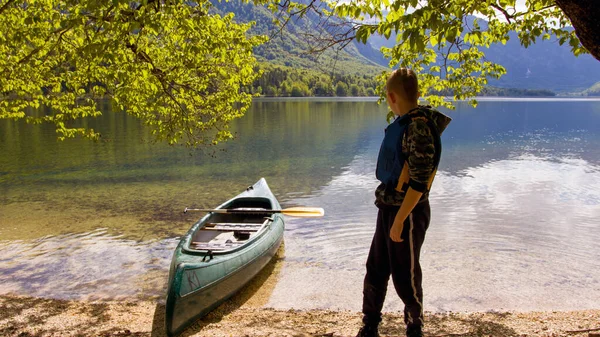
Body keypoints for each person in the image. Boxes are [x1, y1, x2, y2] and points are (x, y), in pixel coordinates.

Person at [356, 68, 451, 337]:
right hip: (388, 208)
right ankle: (370, 324)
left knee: (405, 274)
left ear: (391, 96)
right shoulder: (405, 122)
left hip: (407, 213)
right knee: (376, 268)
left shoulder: (418, 128)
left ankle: (414, 326)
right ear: (417, 93)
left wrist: (399, 220)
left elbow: (419, 183)